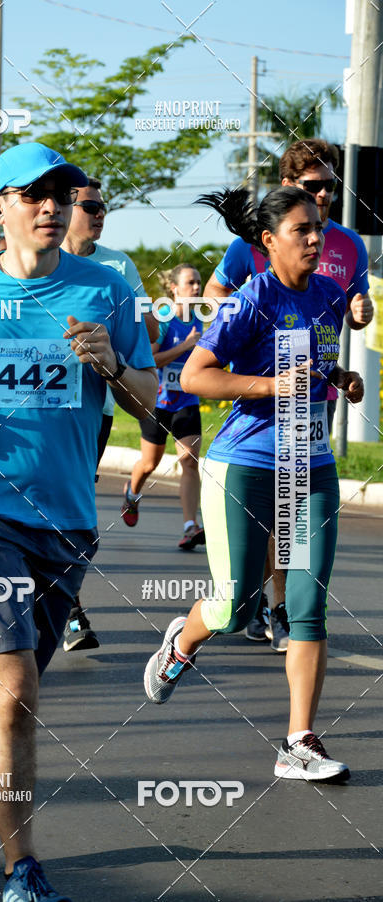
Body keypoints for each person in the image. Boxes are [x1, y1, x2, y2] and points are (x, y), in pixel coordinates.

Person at [0, 141, 157, 901]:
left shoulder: (106, 290)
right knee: (15, 684)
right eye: (33, 194)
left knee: (10, 680)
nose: (52, 206)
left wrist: (112, 364)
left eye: (63, 194)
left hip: (67, 514)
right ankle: (24, 870)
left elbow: (149, 397)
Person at [144, 185, 363, 783]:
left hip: (311, 465)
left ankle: (299, 742)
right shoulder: (251, 300)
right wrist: (272, 388)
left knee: (306, 607)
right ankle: (182, 643)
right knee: (237, 607)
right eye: (303, 230)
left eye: (319, 228)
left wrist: (337, 376)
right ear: (268, 241)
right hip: (245, 463)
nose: (317, 239)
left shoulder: (328, 295)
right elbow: (195, 375)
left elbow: (310, 363)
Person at [204, 138, 373, 652]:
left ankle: (283, 611)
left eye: (329, 187)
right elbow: (216, 302)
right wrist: (259, 328)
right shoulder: (250, 254)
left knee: (299, 550)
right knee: (240, 583)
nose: (323, 196)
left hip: (312, 421)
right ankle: (242, 608)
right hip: (256, 422)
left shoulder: (346, 245)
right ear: (287, 188)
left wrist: (349, 348)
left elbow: (349, 309)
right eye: (312, 187)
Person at [60, 175, 156, 651]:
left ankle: (69, 607)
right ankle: (57, 605)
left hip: (90, 411)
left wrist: (109, 339)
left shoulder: (118, 267)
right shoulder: (29, 262)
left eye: (103, 209)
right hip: (23, 412)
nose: (99, 215)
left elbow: (147, 332)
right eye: (90, 207)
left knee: (75, 507)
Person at [122, 264, 205, 549]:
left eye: (199, 282)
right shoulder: (166, 320)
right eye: (190, 282)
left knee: (189, 460)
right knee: (149, 463)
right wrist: (185, 346)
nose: (197, 288)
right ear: (175, 289)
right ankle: (131, 493)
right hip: (156, 401)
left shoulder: (203, 321)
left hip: (186, 399)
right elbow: (151, 361)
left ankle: (190, 526)